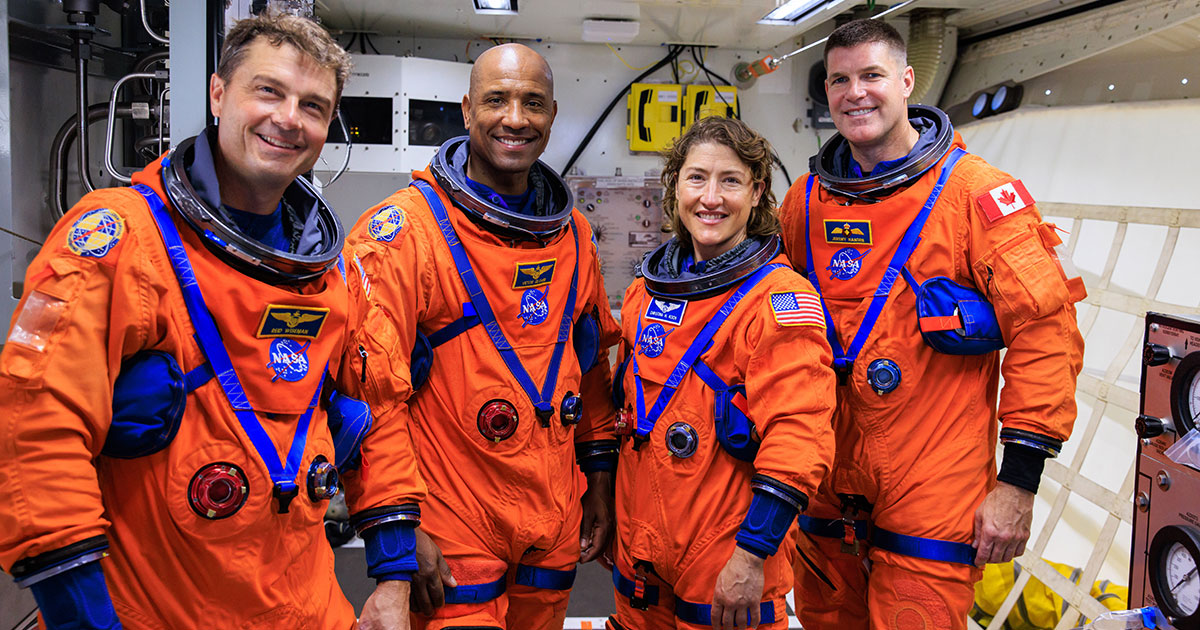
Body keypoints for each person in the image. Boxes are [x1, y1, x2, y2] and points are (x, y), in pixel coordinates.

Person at [0, 12, 423, 630]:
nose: (288, 118)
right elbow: (37, 426)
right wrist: (84, 619)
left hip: (304, 605)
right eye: (268, 90)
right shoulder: (123, 240)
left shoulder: (335, 273)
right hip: (157, 609)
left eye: (312, 105)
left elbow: (380, 413)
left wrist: (393, 578)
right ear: (219, 93)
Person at [778, 18, 1087, 630]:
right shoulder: (805, 202)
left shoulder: (978, 197)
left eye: (872, 75)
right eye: (840, 79)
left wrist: (1018, 483)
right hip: (824, 484)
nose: (855, 92)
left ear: (908, 80)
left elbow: (1045, 332)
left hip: (933, 483)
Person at [346, 43, 620, 630]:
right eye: (497, 100)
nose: (515, 118)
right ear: (467, 110)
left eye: (533, 103)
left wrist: (598, 482)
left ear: (552, 116)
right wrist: (399, 530)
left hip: (550, 516)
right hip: (451, 520)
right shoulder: (404, 233)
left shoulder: (571, 234)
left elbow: (590, 367)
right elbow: (370, 396)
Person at [607, 116, 836, 630]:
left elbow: (801, 437)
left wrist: (753, 554)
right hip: (640, 551)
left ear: (756, 193)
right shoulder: (646, 292)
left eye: (730, 181)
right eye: (697, 178)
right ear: (675, 187)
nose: (711, 197)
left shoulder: (779, 298)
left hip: (726, 554)